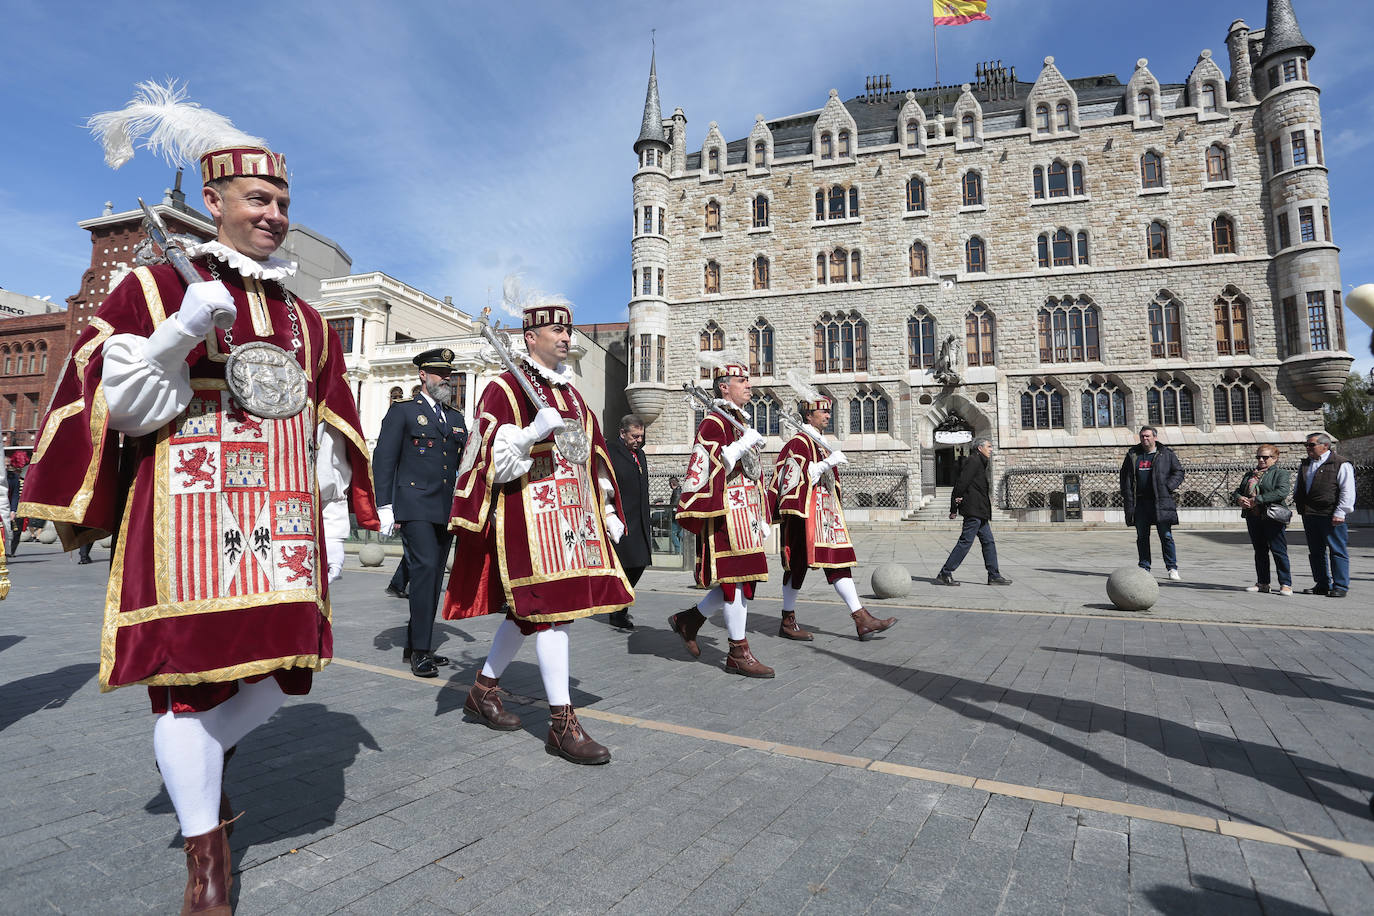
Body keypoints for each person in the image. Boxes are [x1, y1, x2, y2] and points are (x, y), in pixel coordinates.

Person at [16, 82, 378, 915]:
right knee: (183, 685)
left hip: (279, 526)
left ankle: (190, 759)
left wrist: (329, 523)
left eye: (284, 199)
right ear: (213, 202)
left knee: (284, 675)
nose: (276, 213)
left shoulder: (308, 321)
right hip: (186, 521)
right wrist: (182, 331)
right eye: (259, 198)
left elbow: (325, 431)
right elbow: (121, 409)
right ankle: (206, 860)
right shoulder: (149, 289)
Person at [444, 284, 633, 764]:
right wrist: (529, 433)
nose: (567, 337)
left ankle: (483, 688)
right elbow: (487, 458)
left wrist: (607, 506)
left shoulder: (572, 394)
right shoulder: (504, 387)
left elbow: (592, 454)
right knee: (550, 612)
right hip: (527, 514)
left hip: (571, 517)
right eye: (557, 329)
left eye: (568, 329)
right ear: (530, 336)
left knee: (530, 611)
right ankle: (561, 723)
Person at [671, 356, 773, 677]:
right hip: (726, 513)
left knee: (742, 580)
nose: (749, 386)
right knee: (734, 582)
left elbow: (752, 475)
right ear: (724, 387)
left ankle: (688, 620)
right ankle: (737, 652)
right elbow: (707, 468)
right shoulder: (713, 423)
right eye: (743, 381)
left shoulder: (737, 421)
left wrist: (763, 513)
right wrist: (742, 444)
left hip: (747, 515)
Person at [769, 390, 896, 640]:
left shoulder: (818, 442)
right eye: (823, 411)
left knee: (838, 561)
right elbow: (795, 479)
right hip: (805, 514)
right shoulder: (799, 442)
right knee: (796, 567)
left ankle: (861, 618)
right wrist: (828, 463)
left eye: (829, 410)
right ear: (809, 414)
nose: (828, 414)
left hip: (825, 514)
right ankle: (788, 620)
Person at [372, 348, 468, 676]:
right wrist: (384, 505)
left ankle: (415, 645)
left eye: (449, 374)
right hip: (413, 505)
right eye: (440, 373)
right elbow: (384, 459)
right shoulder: (403, 412)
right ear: (423, 376)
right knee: (426, 568)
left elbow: (465, 464)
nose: (446, 379)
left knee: (433, 573)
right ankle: (422, 651)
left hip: (444, 508)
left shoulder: (455, 418)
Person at [934, 437, 1013, 587]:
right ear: (979, 448)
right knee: (965, 542)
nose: (991, 449)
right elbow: (961, 483)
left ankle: (994, 575)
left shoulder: (980, 462)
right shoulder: (973, 461)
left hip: (980, 511)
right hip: (973, 510)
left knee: (988, 542)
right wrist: (953, 508)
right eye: (989, 446)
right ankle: (945, 573)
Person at [1119, 426, 1185, 580]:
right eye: (1142, 436)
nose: (1144, 439)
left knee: (1166, 535)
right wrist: (1126, 493)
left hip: (1160, 501)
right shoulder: (1133, 455)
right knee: (1142, 536)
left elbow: (1179, 472)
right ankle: (1144, 566)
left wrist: (1168, 486)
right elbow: (1125, 476)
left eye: (1147, 436)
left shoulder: (1165, 454)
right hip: (1140, 503)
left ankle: (1172, 567)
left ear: (1155, 437)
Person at [1294, 432, 1355, 598]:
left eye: (1311, 445)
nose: (1308, 448)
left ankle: (1340, 585)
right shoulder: (1306, 464)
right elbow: (1300, 485)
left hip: (1330, 514)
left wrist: (1341, 511)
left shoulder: (1340, 464)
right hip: (1310, 513)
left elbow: (1347, 490)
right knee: (1315, 551)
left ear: (1325, 446)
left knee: (1337, 550)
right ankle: (1322, 583)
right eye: (1306, 445)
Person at [606, 415, 651, 629]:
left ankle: (619, 605)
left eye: (641, 436)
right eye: (634, 436)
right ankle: (618, 610)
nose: (639, 440)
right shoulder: (610, 452)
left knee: (640, 563)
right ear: (623, 433)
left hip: (640, 518)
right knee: (626, 564)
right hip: (622, 519)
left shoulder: (639, 454)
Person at [1234, 443, 1293, 596]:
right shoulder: (1250, 475)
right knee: (1260, 551)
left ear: (1275, 458)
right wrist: (1240, 498)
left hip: (1272, 517)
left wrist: (1258, 499)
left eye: (1265, 457)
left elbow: (1282, 492)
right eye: (1258, 456)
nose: (1261, 460)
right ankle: (1263, 583)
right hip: (1253, 517)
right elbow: (1238, 491)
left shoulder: (1280, 474)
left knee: (1278, 551)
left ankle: (1286, 584)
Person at [668, 475, 683, 554]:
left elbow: (674, 504)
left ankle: (678, 551)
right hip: (680, 515)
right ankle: (682, 552)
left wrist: (669, 513)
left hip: (675, 515)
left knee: (673, 533)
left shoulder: (676, 491)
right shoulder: (681, 490)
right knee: (680, 533)